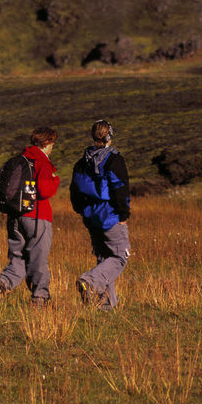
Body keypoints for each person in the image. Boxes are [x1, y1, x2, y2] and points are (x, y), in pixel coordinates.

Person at [0, 126, 61, 307]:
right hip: (37, 216)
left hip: (15, 216)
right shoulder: (42, 162)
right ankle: (40, 299)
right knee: (38, 258)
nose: (53, 147)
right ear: (47, 143)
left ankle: (2, 283)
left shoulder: (20, 159)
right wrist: (56, 179)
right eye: (52, 143)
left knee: (18, 257)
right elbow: (45, 190)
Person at [70, 119, 130, 310]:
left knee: (104, 259)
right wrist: (123, 214)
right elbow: (121, 189)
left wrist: (82, 211)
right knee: (120, 256)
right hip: (110, 216)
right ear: (109, 136)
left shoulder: (81, 162)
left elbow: (74, 191)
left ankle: (106, 304)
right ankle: (90, 281)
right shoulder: (114, 160)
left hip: (90, 216)